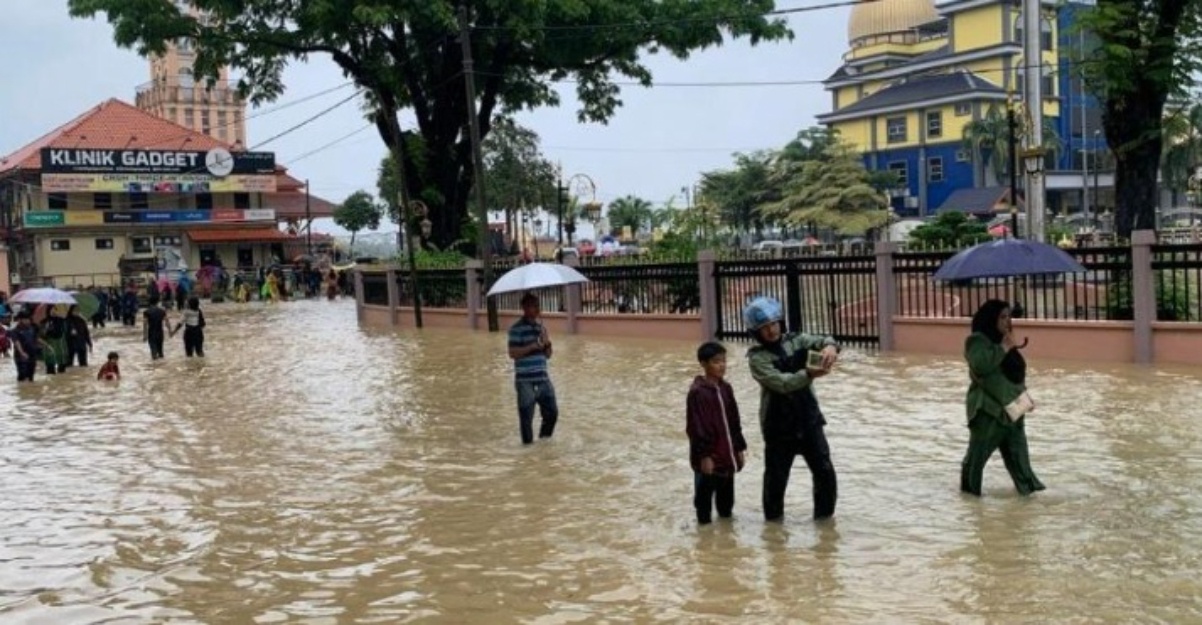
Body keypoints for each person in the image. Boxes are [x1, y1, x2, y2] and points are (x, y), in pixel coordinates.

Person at [744, 296, 841, 522]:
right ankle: (774, 530)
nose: (771, 330)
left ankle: (825, 522)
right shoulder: (757, 359)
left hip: (809, 420)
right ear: (756, 333)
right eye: (764, 328)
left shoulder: (796, 340)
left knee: (825, 471)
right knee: (776, 480)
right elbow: (782, 383)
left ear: (781, 323)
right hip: (778, 427)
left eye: (774, 324)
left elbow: (823, 339)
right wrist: (808, 374)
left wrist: (830, 346)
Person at [961, 299, 1046, 497]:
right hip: (989, 413)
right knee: (975, 462)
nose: (1007, 321)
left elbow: (1014, 374)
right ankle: (970, 502)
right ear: (991, 318)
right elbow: (980, 365)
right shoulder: (977, 341)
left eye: (1009, 316)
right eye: (1002, 316)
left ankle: (1029, 503)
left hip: (1013, 411)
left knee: (1020, 461)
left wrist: (1025, 398)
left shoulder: (1005, 340)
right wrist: (1003, 348)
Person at [686, 341, 748, 524]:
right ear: (704, 364)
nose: (722, 365)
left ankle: (725, 542)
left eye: (724, 361)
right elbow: (695, 427)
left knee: (726, 506)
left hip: (727, 456)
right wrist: (705, 456)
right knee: (703, 506)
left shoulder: (726, 388)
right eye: (716, 361)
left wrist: (739, 449)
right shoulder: (697, 393)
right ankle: (704, 543)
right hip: (709, 458)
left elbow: (734, 421)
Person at [507, 292, 558, 444]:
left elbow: (548, 355)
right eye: (533, 306)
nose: (536, 309)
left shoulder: (541, 328)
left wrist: (547, 342)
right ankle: (528, 449)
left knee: (552, 413)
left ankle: (544, 442)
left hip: (543, 378)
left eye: (537, 306)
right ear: (524, 308)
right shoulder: (516, 329)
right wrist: (533, 346)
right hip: (525, 381)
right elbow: (513, 353)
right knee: (526, 418)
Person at [10, 312, 40, 382]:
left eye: (28, 319)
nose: (28, 321)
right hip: (20, 357)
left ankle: (30, 391)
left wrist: (47, 345)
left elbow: (36, 339)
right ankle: (21, 389)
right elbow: (17, 342)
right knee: (22, 375)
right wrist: (22, 352)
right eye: (25, 319)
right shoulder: (15, 331)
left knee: (31, 376)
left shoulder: (32, 328)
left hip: (32, 355)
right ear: (20, 320)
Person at [142, 296, 170, 360]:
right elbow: (167, 322)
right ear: (157, 302)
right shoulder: (162, 311)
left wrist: (145, 335)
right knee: (160, 352)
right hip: (160, 333)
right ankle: (162, 366)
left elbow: (145, 324)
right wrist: (170, 332)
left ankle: (155, 367)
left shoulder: (146, 312)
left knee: (153, 353)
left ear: (149, 303)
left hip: (151, 333)